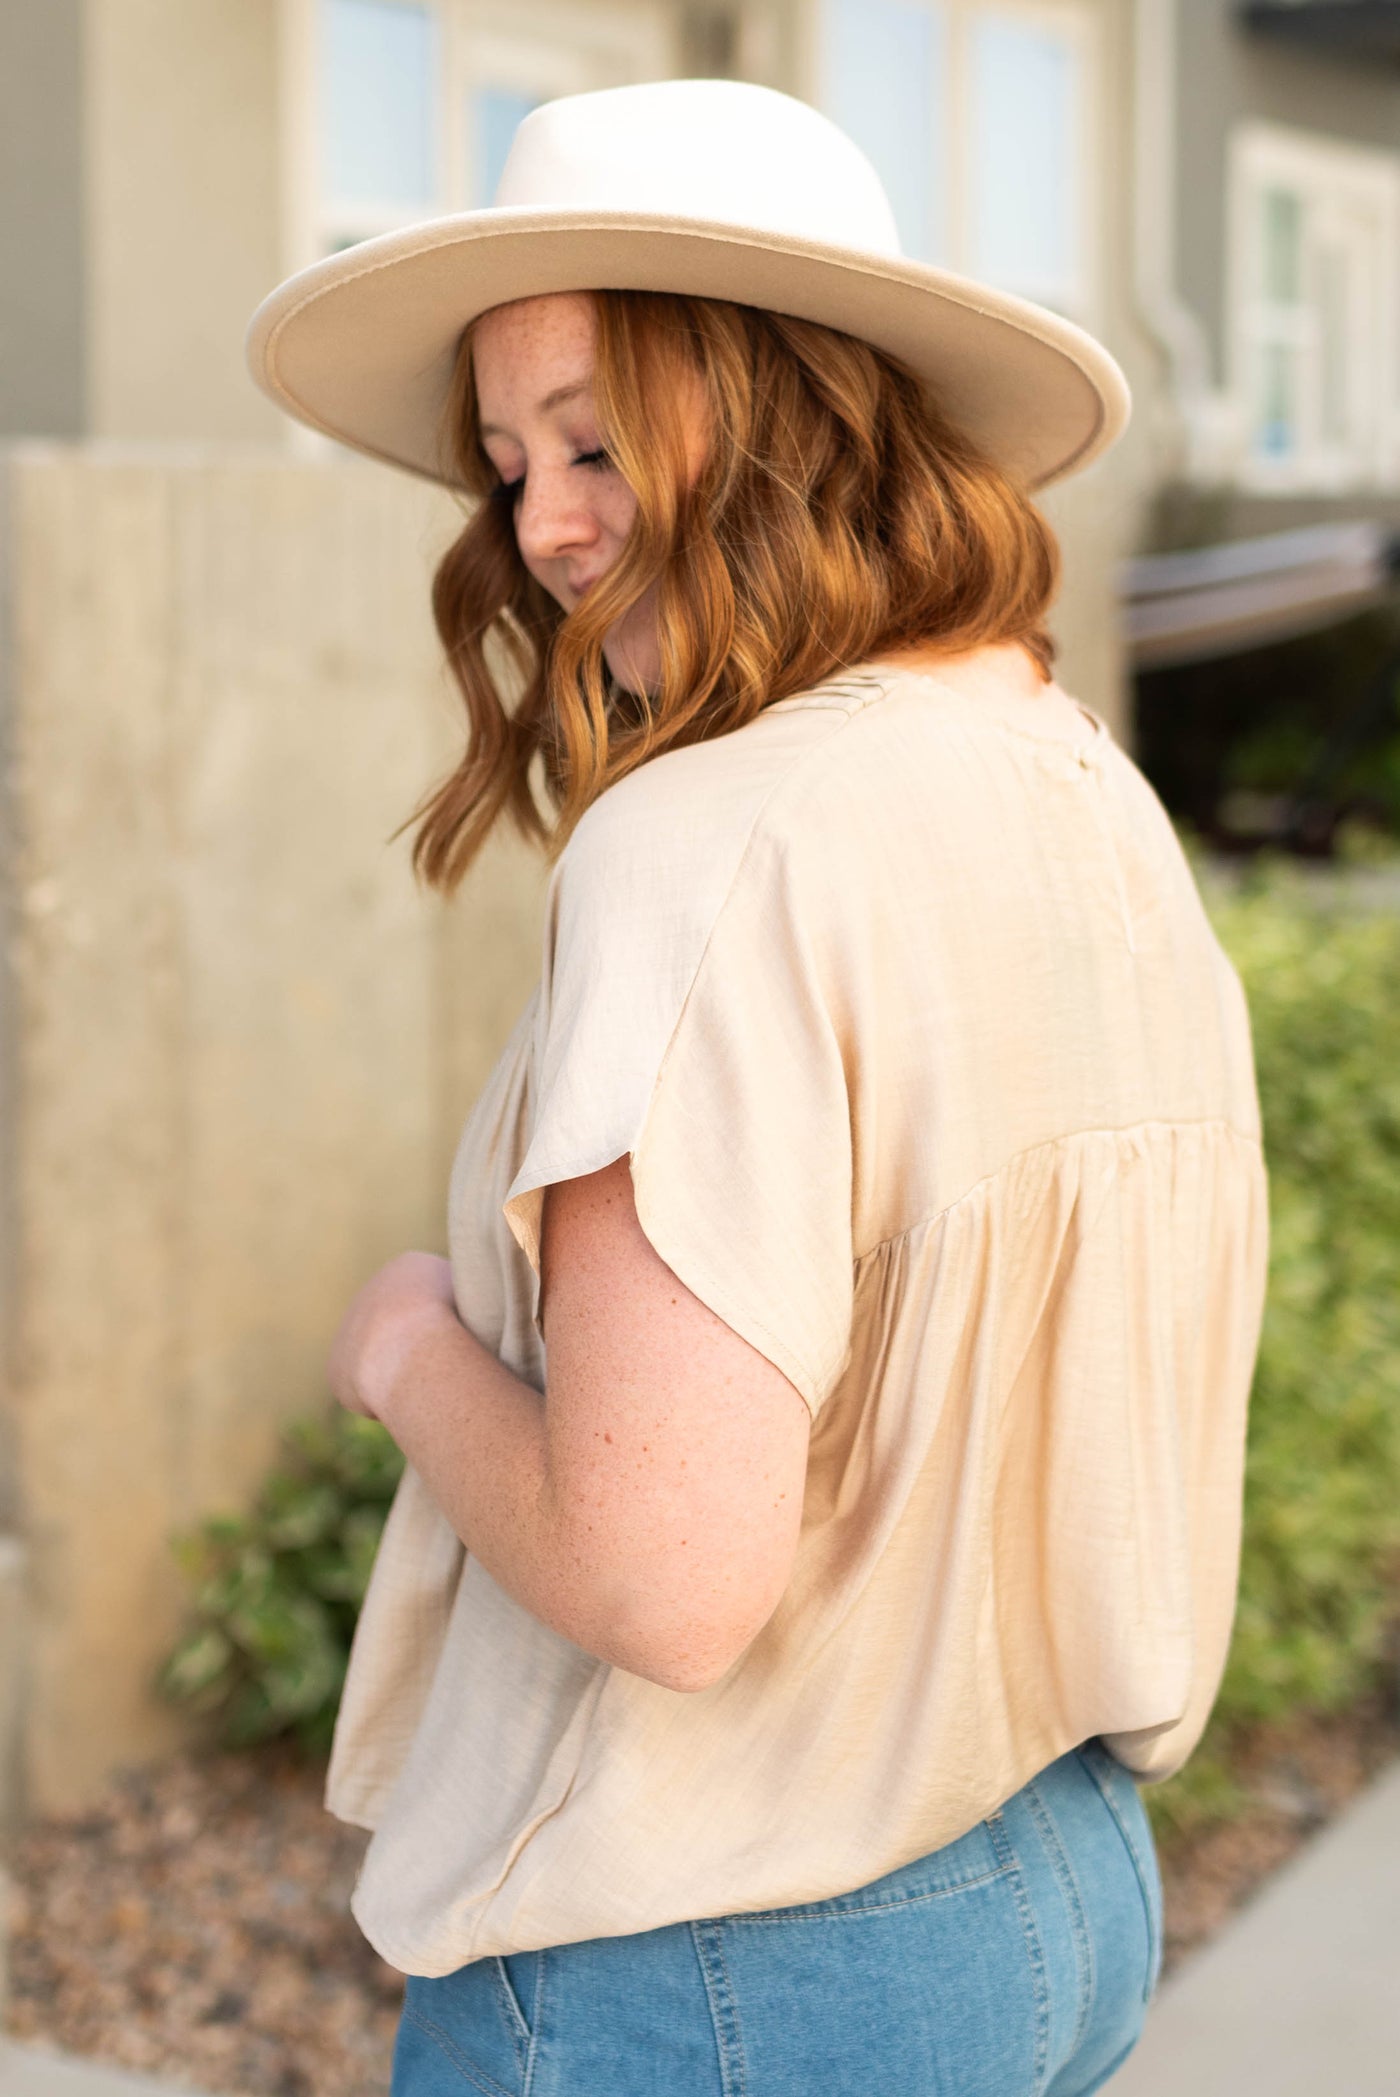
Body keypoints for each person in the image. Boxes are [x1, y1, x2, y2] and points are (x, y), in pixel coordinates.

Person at [247, 79, 1268, 2097]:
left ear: (791, 410)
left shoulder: (713, 839)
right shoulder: (1083, 787)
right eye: (509, 460)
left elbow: (657, 1574)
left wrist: (400, 1350)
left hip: (716, 1961)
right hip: (1051, 1893)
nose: (536, 526)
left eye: (599, 438)